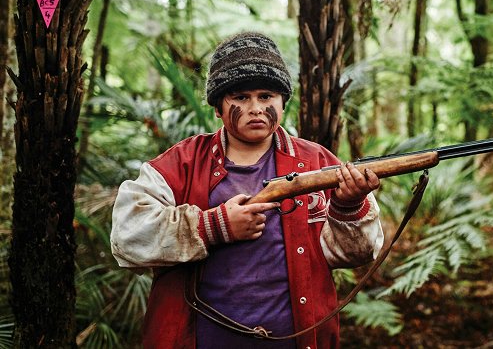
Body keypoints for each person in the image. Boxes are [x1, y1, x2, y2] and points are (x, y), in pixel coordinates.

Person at [111, 32, 384, 349]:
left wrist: (348, 205)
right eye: (240, 97)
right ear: (217, 107)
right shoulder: (180, 163)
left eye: (266, 96)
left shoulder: (317, 161)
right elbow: (126, 237)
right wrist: (214, 226)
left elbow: (358, 253)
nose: (255, 107)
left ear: (283, 103)